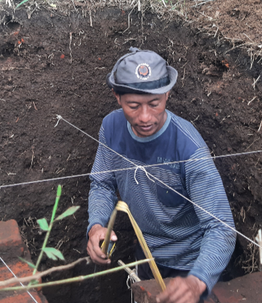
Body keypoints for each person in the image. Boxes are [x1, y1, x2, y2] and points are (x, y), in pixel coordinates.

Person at [86, 48, 236, 303]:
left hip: (191, 264)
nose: (145, 117)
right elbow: (102, 183)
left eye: (154, 104)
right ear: (117, 97)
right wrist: (97, 225)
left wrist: (197, 280)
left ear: (167, 94)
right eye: (133, 106)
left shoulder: (188, 148)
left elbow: (221, 227)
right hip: (145, 256)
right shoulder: (111, 128)